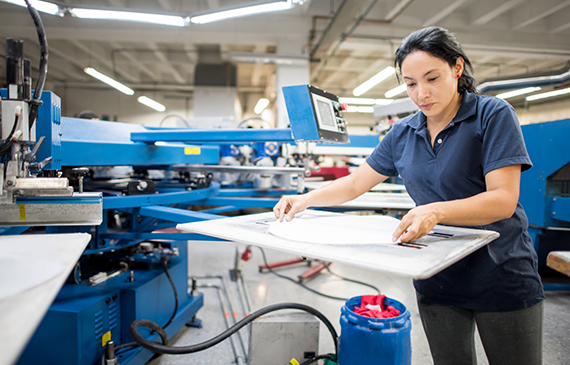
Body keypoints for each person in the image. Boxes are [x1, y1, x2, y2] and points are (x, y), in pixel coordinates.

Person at [273, 27, 544, 365]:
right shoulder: (403, 133)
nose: (421, 94)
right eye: (411, 84)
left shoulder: (492, 115)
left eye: (432, 78)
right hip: (436, 275)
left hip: (501, 272)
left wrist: (435, 212)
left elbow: (503, 199)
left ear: (457, 68)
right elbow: (357, 182)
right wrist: (305, 199)